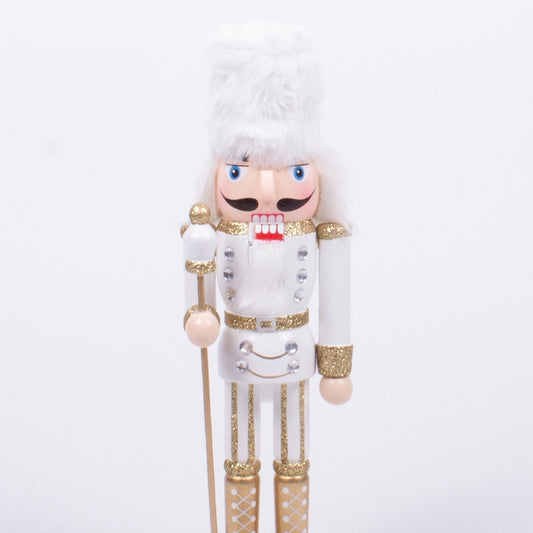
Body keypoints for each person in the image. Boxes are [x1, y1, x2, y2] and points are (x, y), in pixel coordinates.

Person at [183, 23, 353, 533]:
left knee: (295, 457)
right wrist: (198, 314)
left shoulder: (325, 236)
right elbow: (197, 283)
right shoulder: (211, 232)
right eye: (240, 170)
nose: (265, 190)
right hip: (238, 350)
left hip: (296, 353)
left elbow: (336, 302)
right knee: (239, 458)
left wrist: (336, 365)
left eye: (292, 171)